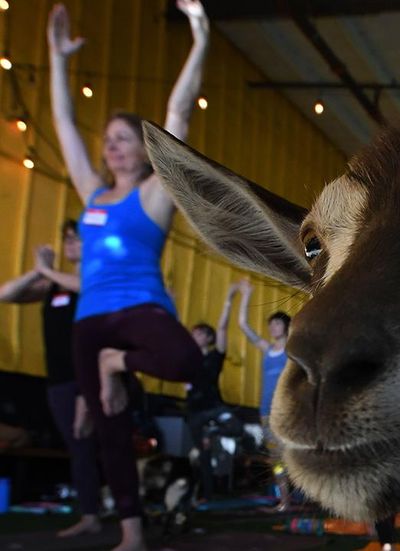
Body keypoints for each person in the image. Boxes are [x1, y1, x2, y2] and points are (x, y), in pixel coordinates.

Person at [47, 1, 210, 548]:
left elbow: (180, 112)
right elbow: (65, 123)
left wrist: (201, 33)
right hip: (89, 321)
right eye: (109, 138)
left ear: (144, 152)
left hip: (142, 310)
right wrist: (57, 58)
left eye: (124, 138)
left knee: (187, 358)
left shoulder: (154, 194)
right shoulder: (91, 195)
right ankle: (132, 536)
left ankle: (118, 364)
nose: (112, 145)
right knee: (108, 429)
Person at [0, 220, 102, 538]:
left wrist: (46, 270)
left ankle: (103, 512)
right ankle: (91, 512)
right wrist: (38, 270)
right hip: (58, 380)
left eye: (77, 239)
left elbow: (85, 287)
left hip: (89, 378)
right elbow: (6, 294)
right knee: (78, 446)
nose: (70, 244)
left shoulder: (96, 276)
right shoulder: (52, 285)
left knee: (95, 445)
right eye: (67, 239)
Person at [237, 278, 292, 510]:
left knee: (293, 455)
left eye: (277, 324)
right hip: (265, 412)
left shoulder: (289, 349)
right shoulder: (268, 349)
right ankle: (285, 501)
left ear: (286, 327)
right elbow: (242, 324)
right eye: (271, 325)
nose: (272, 328)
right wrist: (246, 295)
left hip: (285, 411)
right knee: (276, 459)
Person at [186, 282, 237, 502]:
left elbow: (223, 328)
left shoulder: (215, 357)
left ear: (208, 338)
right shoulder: (188, 359)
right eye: (193, 333)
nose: (194, 336)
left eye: (198, 334)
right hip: (194, 412)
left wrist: (228, 299)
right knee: (202, 454)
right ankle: (207, 495)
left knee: (237, 425)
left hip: (213, 409)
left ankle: (214, 431)